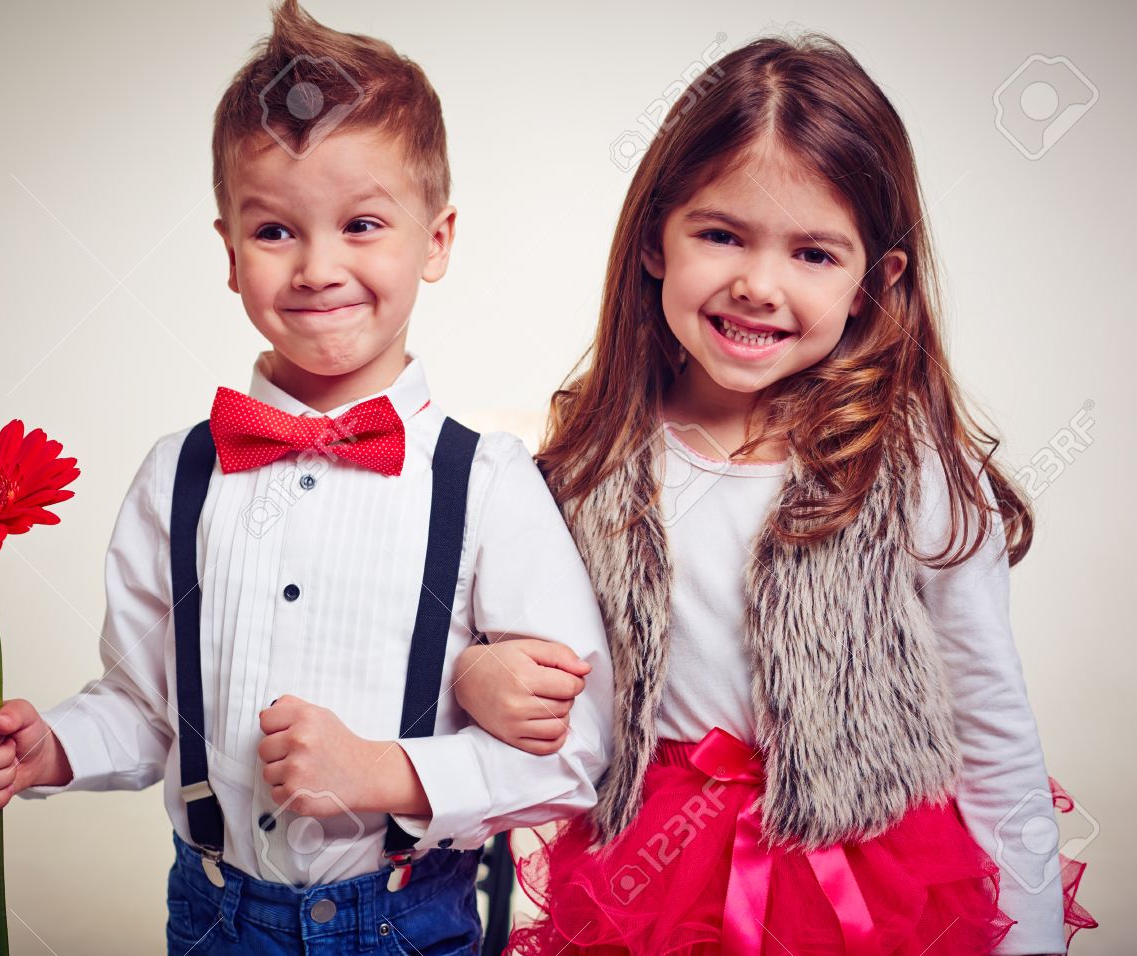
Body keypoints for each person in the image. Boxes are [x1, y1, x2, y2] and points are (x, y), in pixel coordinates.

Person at [0, 3, 612, 953]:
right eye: (274, 231)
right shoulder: (178, 473)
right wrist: (49, 748)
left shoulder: (490, 481)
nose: (317, 266)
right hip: (214, 917)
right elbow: (144, 706)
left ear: (438, 240)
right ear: (228, 252)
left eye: (364, 222)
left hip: (406, 920)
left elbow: (576, 753)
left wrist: (387, 772)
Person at [453, 32, 1095, 956]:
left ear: (876, 284)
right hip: (649, 883)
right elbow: (511, 648)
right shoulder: (585, 463)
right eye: (721, 235)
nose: (759, 285)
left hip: (868, 883)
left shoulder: (910, 468)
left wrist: (1027, 941)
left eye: (814, 254)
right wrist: (476, 672)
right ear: (653, 243)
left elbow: (993, 730)